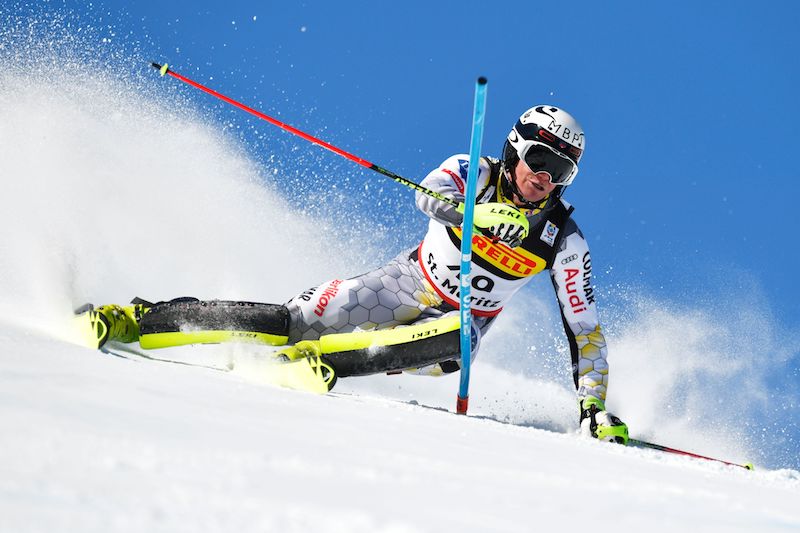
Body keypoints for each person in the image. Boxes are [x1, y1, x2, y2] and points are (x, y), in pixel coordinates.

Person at [82, 105, 628, 444]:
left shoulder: (563, 240)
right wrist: (474, 214)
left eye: (561, 172)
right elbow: (427, 194)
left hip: (455, 323)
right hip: (403, 283)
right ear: (514, 150)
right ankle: (138, 319)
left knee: (460, 338)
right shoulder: (475, 172)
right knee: (294, 319)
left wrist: (594, 408)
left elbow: (586, 332)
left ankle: (320, 364)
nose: (545, 179)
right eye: (539, 160)